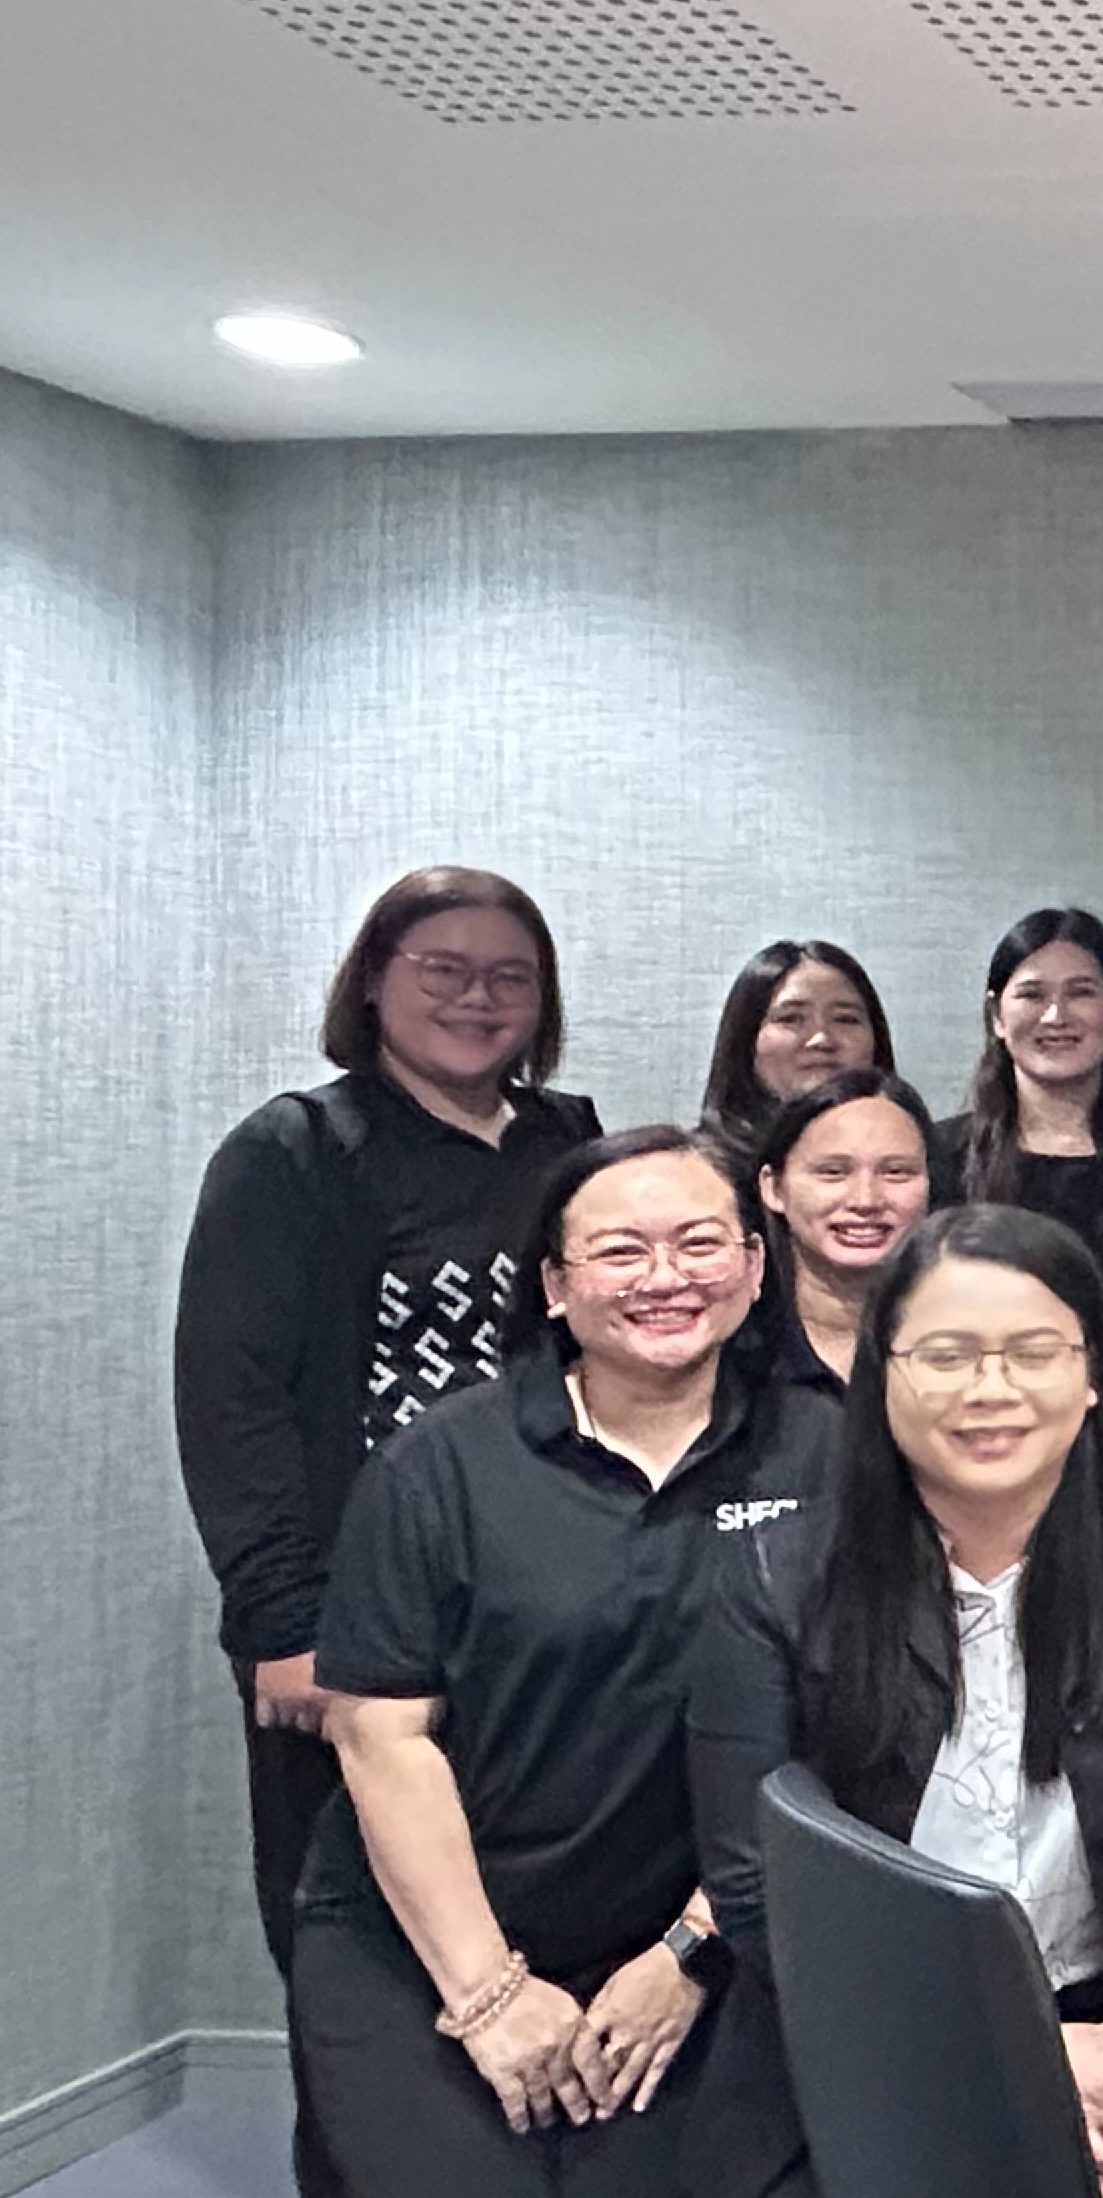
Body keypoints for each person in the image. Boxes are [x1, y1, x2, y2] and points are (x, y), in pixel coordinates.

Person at [689, 1204, 1103, 2198]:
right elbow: (757, 1884)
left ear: (1094, 1375)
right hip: (854, 2047)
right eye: (947, 1355)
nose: (991, 1389)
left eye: (1034, 1353)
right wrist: (1027, 2060)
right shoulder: (774, 1575)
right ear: (882, 1376)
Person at [289, 1126, 827, 2198]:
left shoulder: (831, 1453)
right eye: (621, 1251)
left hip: (700, 1936)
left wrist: (691, 1950)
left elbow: (840, 1731)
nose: (665, 1277)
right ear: (553, 1284)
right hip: (428, 1934)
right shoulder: (439, 1466)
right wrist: (489, 1994)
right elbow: (380, 1735)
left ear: (755, 1265)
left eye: (700, 1243)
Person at [174, 867, 603, 2195]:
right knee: (355, 1952)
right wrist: (280, 1620)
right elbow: (233, 1400)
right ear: (374, 981)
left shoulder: (565, 1147)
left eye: (509, 977)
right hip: (350, 1618)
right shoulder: (297, 1151)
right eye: (444, 970)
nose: (478, 999)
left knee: (521, 1925)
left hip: (531, 1602)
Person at [959, 907, 1103, 1246]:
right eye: (1032, 995)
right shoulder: (938, 1157)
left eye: (1080, 992)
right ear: (996, 1017)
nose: (1055, 1016)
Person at [747, 1069, 934, 1399]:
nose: (866, 1200)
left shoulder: (971, 1345)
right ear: (773, 1187)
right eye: (833, 1172)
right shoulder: (732, 1354)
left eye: (896, 1172)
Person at [695, 940, 894, 1159]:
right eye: (790, 1018)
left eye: (845, 1019)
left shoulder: (916, 1160)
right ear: (747, 1037)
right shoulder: (697, 1170)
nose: (821, 1039)